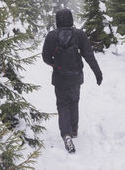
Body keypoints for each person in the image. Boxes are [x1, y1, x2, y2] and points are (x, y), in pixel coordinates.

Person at [42, 8, 103, 153]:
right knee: (74, 101)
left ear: (57, 20)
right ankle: (74, 130)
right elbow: (89, 55)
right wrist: (98, 73)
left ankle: (66, 134)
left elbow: (45, 57)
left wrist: (55, 64)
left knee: (62, 104)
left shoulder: (51, 36)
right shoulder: (79, 35)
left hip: (59, 77)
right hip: (76, 76)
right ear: (71, 19)